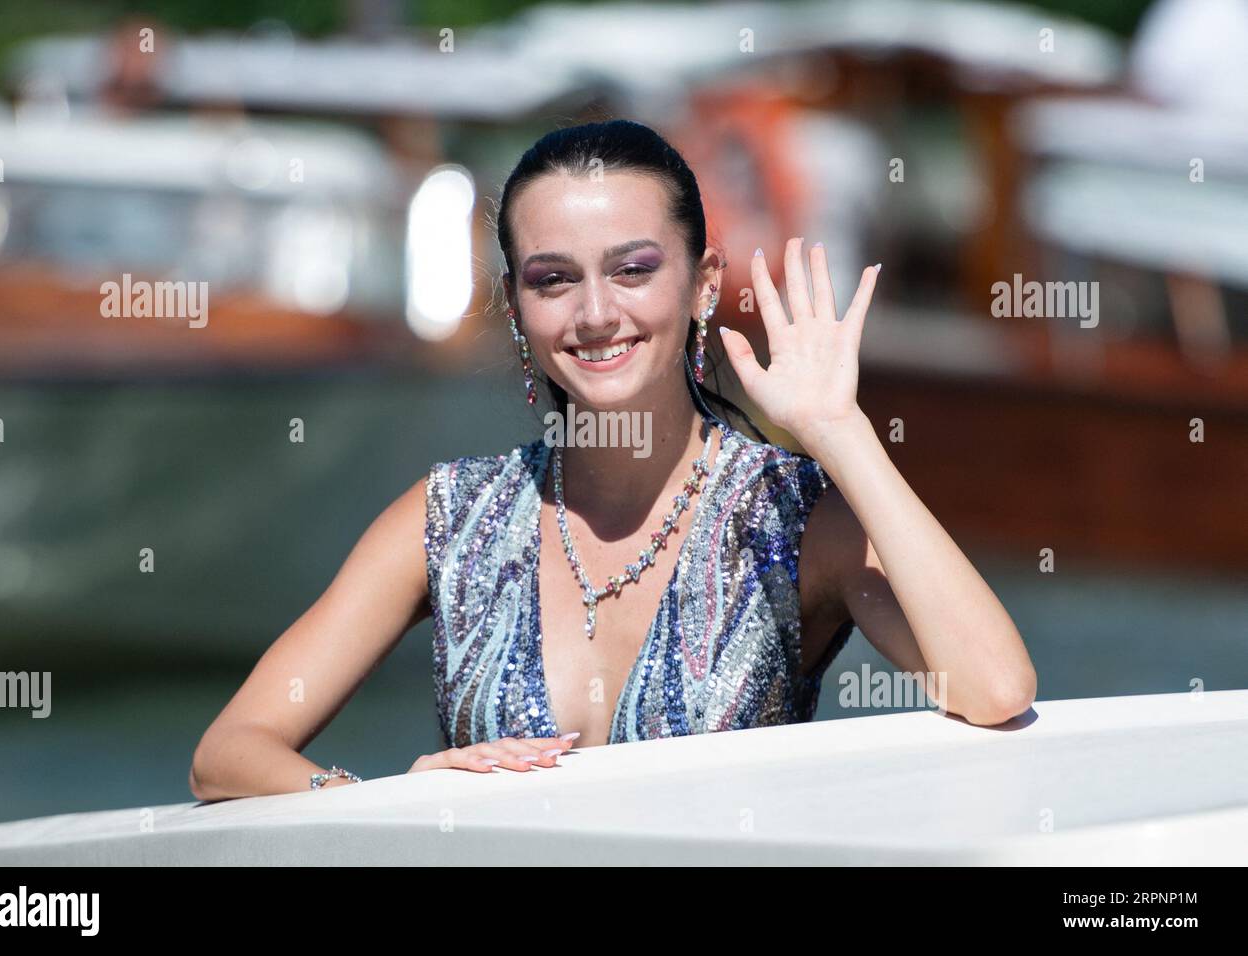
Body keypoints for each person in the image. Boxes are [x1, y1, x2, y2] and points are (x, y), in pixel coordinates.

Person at [188, 119, 1036, 799]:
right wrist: (384, 806)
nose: (596, 313)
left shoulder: (795, 512)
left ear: (703, 284)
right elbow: (230, 752)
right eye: (552, 280)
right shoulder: (449, 516)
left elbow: (994, 688)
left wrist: (840, 433)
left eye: (633, 269)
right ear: (516, 308)